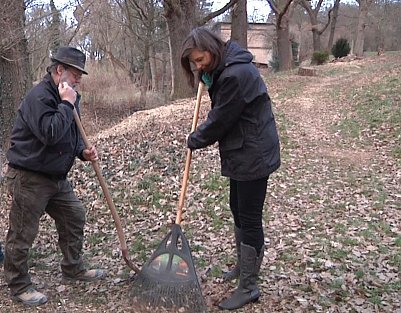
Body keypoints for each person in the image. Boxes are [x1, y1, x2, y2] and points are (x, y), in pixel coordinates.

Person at [180, 27, 281, 310]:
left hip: (253, 151)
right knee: (236, 207)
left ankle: (249, 286)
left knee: (249, 217)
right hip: (243, 147)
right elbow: (224, 111)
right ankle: (243, 267)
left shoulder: (235, 75)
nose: (199, 66)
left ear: (212, 48)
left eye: (201, 60)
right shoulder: (227, 65)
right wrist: (209, 78)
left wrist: (194, 139)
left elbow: (221, 119)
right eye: (195, 63)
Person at [4, 46, 105, 306]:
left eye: (80, 75)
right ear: (59, 70)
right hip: (29, 176)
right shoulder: (40, 98)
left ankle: (73, 268)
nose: (78, 80)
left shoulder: (67, 97)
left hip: (55, 176)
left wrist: (82, 152)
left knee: (74, 216)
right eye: (75, 74)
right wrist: (66, 103)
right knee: (23, 233)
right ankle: (19, 285)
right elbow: (50, 133)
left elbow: (66, 137)